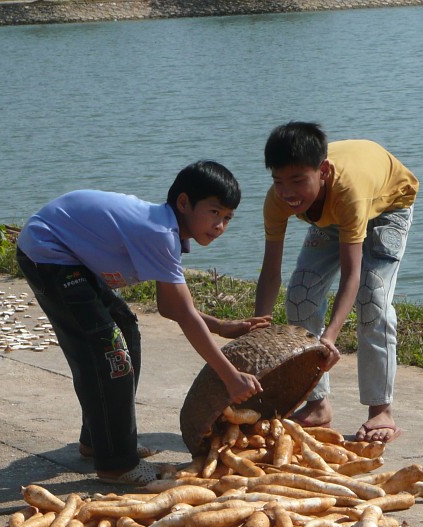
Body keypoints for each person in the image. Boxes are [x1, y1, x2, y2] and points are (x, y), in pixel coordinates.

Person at [16, 160, 270, 486]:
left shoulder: (169, 234)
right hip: (48, 252)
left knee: (126, 331)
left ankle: (99, 440)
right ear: (183, 203)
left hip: (70, 255)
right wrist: (231, 377)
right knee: (111, 351)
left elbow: (171, 307)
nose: (220, 225)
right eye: (214, 212)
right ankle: (117, 464)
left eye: (228, 218)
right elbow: (185, 315)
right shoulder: (160, 233)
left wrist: (220, 326)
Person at [253, 122, 418, 444]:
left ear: (323, 171)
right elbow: (271, 270)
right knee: (300, 294)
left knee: (372, 297)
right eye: (279, 181)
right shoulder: (279, 200)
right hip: (329, 215)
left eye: (298, 181)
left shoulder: (349, 193)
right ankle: (317, 404)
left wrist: (330, 336)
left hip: (388, 205)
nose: (288, 192)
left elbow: (351, 272)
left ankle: (380, 410)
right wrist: (258, 327)